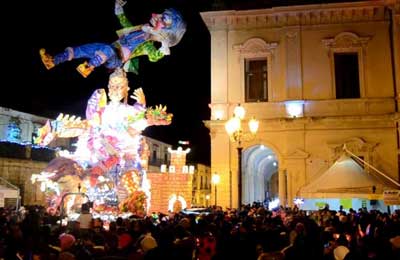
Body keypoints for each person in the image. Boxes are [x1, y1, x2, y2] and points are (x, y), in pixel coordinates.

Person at [39, 0, 186, 77]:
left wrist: (162, 49)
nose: (156, 15)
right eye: (161, 14)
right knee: (87, 48)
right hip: (107, 50)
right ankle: (53, 61)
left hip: (115, 60)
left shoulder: (147, 44)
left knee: (107, 49)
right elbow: (125, 23)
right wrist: (118, 9)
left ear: (166, 30)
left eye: (163, 18)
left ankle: (89, 67)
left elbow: (153, 57)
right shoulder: (140, 29)